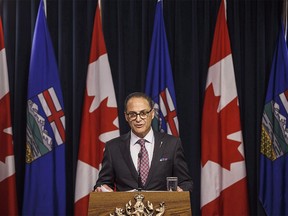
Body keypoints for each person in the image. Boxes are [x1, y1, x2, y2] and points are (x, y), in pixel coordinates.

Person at [94, 92, 193, 192]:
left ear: (152, 113)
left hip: (162, 206)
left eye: (143, 113)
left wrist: (181, 190)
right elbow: (103, 183)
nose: (138, 119)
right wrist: (102, 188)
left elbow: (186, 182)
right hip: (127, 207)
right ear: (126, 117)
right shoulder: (113, 147)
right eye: (132, 114)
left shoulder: (172, 144)